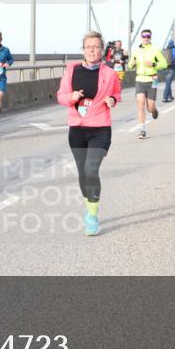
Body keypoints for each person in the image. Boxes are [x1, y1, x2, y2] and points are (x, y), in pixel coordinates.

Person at [56, 31, 122, 236]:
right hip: (77, 129)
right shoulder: (72, 70)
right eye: (88, 47)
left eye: (96, 47)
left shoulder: (109, 74)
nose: (92, 50)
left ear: (102, 50)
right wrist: (71, 97)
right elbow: (60, 96)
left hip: (100, 128)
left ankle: (92, 216)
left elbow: (117, 93)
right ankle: (89, 207)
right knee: (83, 173)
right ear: (83, 49)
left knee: (91, 169)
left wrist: (113, 99)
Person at [127, 29, 167, 139]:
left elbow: (164, 64)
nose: (146, 38)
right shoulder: (136, 51)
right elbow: (130, 65)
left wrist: (153, 64)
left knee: (150, 107)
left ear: (150, 38)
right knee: (140, 105)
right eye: (144, 36)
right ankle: (142, 129)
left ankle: (154, 111)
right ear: (141, 37)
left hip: (152, 79)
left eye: (148, 36)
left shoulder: (155, 50)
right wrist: (132, 63)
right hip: (139, 79)